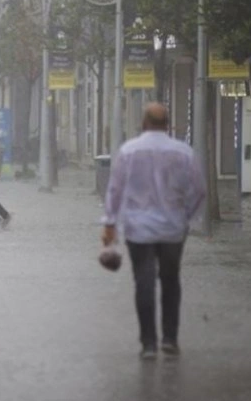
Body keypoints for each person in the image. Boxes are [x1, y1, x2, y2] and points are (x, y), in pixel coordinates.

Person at [102, 102, 206, 360]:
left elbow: (114, 190)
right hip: (173, 228)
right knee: (171, 281)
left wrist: (110, 223)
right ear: (167, 124)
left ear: (144, 123)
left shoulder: (128, 151)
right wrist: (186, 217)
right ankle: (170, 339)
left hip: (138, 229)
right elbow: (200, 190)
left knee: (143, 283)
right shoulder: (183, 152)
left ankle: (148, 344)